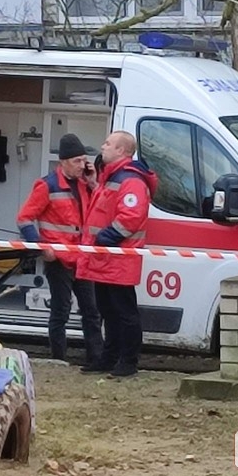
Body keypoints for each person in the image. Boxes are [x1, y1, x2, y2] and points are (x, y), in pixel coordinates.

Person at [17, 134, 104, 364]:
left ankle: (96, 359)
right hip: (58, 259)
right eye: (77, 161)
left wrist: (95, 183)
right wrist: (42, 248)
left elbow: (102, 207)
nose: (82, 165)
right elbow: (24, 219)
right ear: (62, 162)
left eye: (84, 160)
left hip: (82, 257)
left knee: (92, 312)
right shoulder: (47, 185)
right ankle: (58, 360)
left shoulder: (86, 185)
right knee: (60, 312)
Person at [77, 131, 158, 378]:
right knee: (108, 311)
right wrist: (93, 183)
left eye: (108, 143)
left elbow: (131, 216)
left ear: (122, 151)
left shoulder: (130, 180)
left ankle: (128, 362)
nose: (103, 146)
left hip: (117, 258)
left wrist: (105, 238)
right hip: (105, 258)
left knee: (124, 313)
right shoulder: (112, 177)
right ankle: (109, 358)